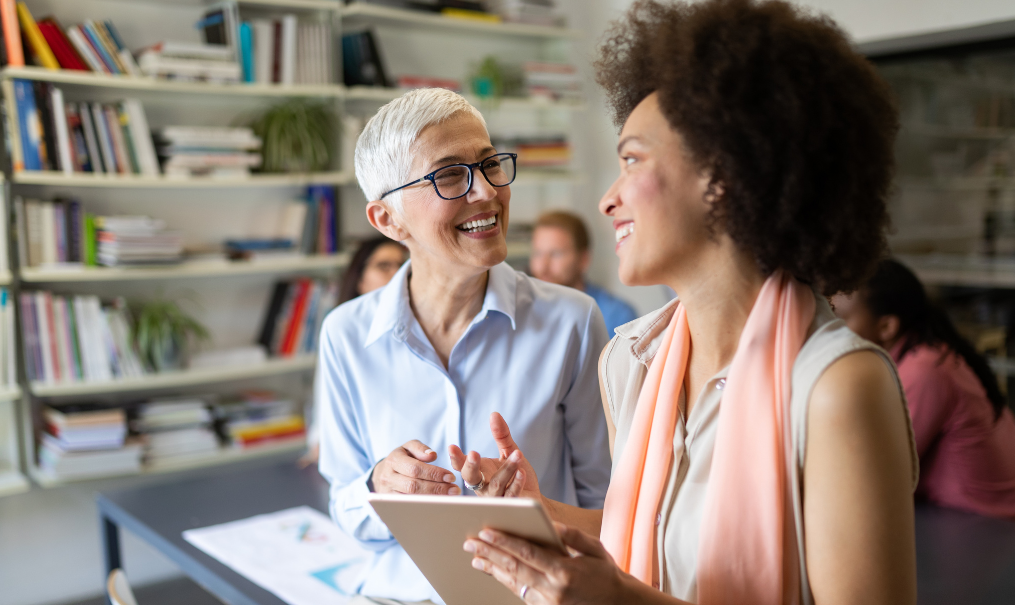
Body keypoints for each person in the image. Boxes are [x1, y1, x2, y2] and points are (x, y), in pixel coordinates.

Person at [455, 1, 919, 603]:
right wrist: (540, 513)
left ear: (721, 173)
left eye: (631, 160)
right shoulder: (630, 362)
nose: (608, 200)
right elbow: (654, 538)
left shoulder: (836, 386)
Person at [316, 88, 612, 604]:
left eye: (490, 163)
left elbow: (612, 512)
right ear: (388, 221)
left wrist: (535, 511)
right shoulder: (345, 334)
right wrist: (378, 485)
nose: (486, 192)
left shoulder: (572, 322)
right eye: (449, 175)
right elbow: (345, 505)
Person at [832, 259, 1015, 527]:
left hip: (999, 533)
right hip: (985, 522)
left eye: (840, 321)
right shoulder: (929, 353)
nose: (829, 333)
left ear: (887, 327)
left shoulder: (925, 371)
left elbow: (873, 478)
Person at [301, 237, 408, 466]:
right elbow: (325, 417)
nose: (397, 274)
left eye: (401, 266)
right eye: (384, 266)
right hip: (363, 467)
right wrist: (322, 443)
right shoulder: (342, 332)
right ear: (359, 278)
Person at [531, 210, 637, 337]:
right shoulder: (524, 311)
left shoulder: (617, 316)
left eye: (556, 254)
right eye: (537, 253)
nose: (543, 266)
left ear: (583, 260)